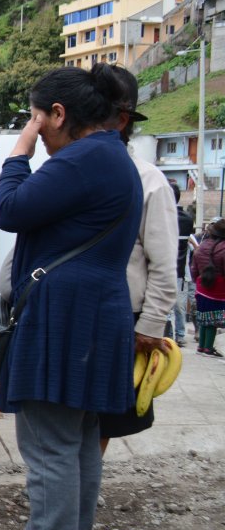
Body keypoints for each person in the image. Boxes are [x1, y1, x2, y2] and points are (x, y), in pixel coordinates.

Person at [0, 64, 142, 530]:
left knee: (50, 450)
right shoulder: (111, 154)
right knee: (76, 445)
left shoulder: (83, 158)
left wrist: (17, 152)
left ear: (58, 114)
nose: (35, 134)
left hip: (65, 316)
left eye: (37, 120)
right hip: (97, 312)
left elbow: (11, 209)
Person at [98, 65, 176, 451]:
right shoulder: (69, 173)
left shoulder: (149, 181)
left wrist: (150, 324)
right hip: (80, 311)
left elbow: (164, 264)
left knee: (101, 422)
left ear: (121, 121)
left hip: (124, 320)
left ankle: (79, 495)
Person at [192, 217, 225, 357]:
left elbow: (194, 269)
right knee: (213, 319)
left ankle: (201, 346)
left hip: (201, 287)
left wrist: (198, 281)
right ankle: (208, 348)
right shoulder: (223, 248)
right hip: (218, 288)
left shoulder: (201, 247)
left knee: (203, 318)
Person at [172, 183, 194, 346]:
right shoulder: (186, 218)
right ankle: (179, 335)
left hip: (169, 269)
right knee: (178, 305)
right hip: (179, 270)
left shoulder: (166, 217)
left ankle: (174, 334)